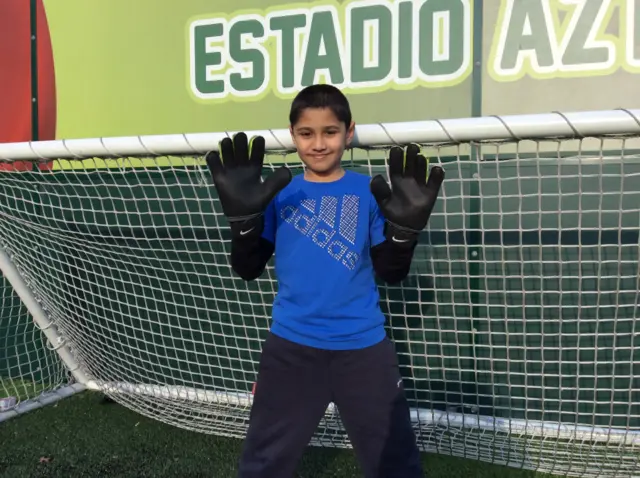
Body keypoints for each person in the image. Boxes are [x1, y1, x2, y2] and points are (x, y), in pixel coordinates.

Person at [206, 84, 444, 478]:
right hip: (292, 346)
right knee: (264, 463)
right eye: (307, 133)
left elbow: (390, 272)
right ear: (292, 134)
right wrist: (244, 225)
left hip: (364, 347)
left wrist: (404, 235)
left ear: (348, 132)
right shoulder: (277, 192)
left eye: (330, 132)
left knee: (395, 462)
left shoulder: (369, 191)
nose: (318, 144)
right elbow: (247, 268)